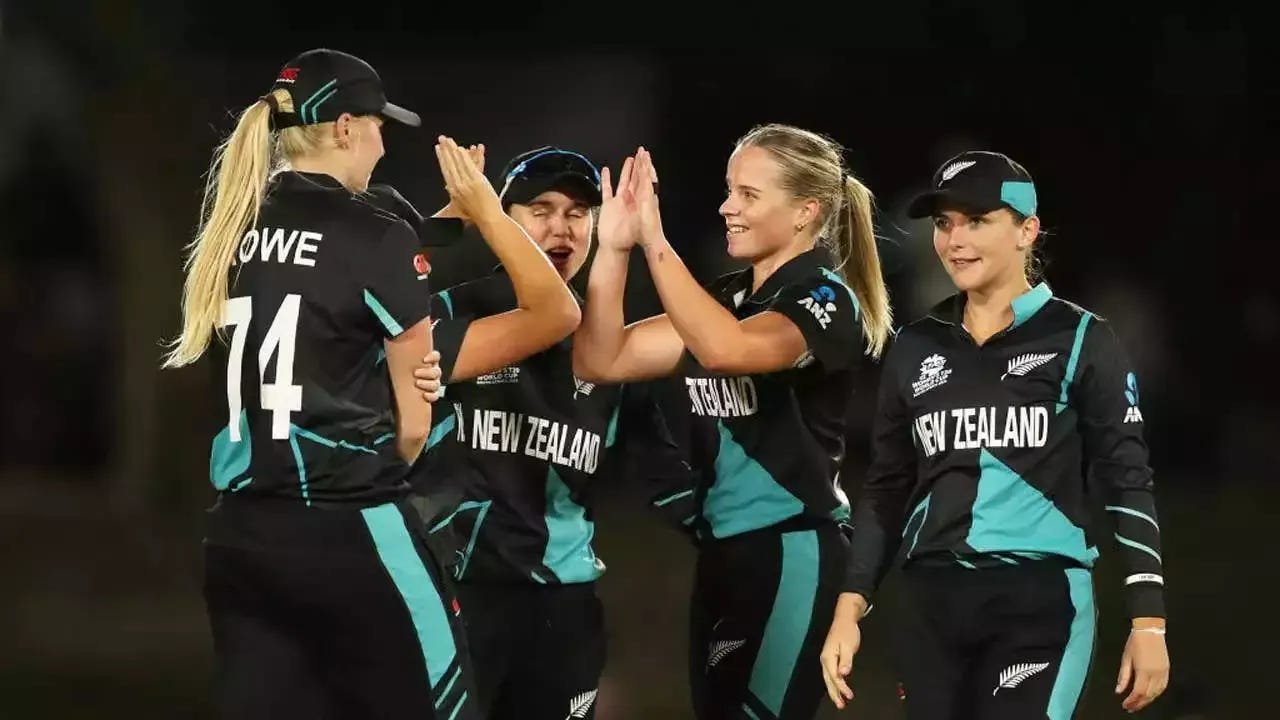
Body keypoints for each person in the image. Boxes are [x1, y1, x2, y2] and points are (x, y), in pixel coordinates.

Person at [159, 48, 497, 720]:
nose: (382, 142)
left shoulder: (234, 222)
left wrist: (455, 216)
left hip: (241, 538)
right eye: (376, 125)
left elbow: (349, 269)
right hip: (352, 525)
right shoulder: (375, 232)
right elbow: (413, 427)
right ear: (344, 127)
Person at [820, 151, 1171, 719]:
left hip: (1040, 601)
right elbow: (886, 488)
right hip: (931, 605)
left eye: (977, 220)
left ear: (1027, 231)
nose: (954, 240)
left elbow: (1128, 479)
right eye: (944, 223)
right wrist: (848, 608)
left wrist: (1148, 621)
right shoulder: (915, 346)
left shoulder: (1081, 338)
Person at [573, 124, 894, 720]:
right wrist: (614, 249)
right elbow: (601, 358)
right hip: (723, 554)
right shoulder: (725, 300)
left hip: (793, 551)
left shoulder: (826, 300)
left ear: (805, 212)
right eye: (728, 190)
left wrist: (655, 241)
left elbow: (728, 349)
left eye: (748, 194)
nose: (727, 207)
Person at [403, 145, 695, 720]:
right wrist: (449, 218)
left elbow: (665, 480)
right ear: (501, 218)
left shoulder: (606, 348)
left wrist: (758, 533)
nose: (561, 228)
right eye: (540, 210)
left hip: (562, 610)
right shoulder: (448, 316)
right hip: (452, 595)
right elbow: (360, 297)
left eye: (578, 213)